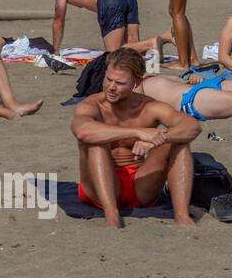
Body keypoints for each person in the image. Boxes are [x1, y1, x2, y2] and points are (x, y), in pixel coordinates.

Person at [70, 48, 200, 228]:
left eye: (120, 83)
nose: (111, 87)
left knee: (178, 142)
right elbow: (83, 131)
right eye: (108, 80)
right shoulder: (93, 104)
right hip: (99, 187)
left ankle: (182, 215)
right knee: (95, 142)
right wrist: (138, 132)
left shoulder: (149, 106)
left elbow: (192, 126)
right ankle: (112, 216)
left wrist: (161, 138)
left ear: (136, 82)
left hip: (141, 184)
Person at [45, 0, 171, 57]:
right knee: (135, 49)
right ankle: (166, 36)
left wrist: (55, 50)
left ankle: (152, 42)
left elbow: (58, 20)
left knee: (114, 54)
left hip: (109, 0)